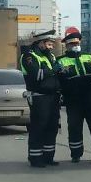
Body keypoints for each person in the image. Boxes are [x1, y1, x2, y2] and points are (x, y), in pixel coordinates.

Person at [56, 28, 91, 163]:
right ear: (67, 46)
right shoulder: (60, 61)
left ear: (80, 43)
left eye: (76, 43)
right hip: (73, 101)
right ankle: (76, 154)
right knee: (74, 127)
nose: (75, 46)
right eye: (71, 44)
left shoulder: (90, 57)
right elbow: (60, 81)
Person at [20, 30, 61, 168]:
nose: (51, 47)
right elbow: (36, 75)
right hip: (39, 97)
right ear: (40, 43)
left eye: (51, 45)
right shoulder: (28, 56)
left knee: (52, 127)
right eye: (48, 44)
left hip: (53, 97)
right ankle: (35, 158)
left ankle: (48, 157)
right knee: (39, 127)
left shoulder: (50, 57)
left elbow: (54, 76)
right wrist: (54, 70)